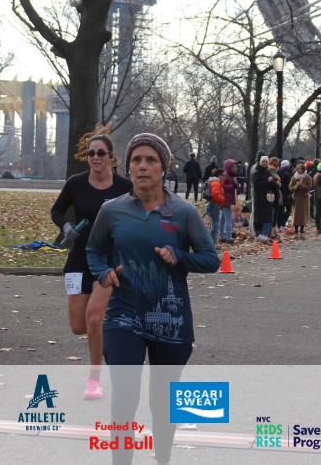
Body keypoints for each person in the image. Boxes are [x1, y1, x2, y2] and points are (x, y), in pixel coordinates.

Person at [86, 133, 220, 465]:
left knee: (163, 403)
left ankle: (162, 459)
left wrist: (180, 257)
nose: (143, 166)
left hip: (170, 320)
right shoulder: (111, 210)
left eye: (151, 160)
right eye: (136, 160)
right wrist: (104, 273)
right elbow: (94, 250)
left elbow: (211, 259)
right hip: (123, 316)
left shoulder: (183, 212)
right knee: (124, 399)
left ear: (164, 168)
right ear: (128, 167)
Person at [50, 131, 133, 400]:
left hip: (108, 259)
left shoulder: (124, 186)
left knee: (94, 318)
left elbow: (139, 214)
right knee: (79, 325)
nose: (95, 157)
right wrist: (66, 226)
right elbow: (56, 210)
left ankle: (94, 380)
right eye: (91, 153)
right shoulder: (76, 183)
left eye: (100, 153)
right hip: (78, 257)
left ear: (111, 157)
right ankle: (113, 327)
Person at [251, 156, 277, 241]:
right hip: (259, 198)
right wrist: (267, 181)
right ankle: (258, 233)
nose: (265, 163)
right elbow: (257, 184)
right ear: (260, 162)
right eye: (263, 161)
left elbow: (273, 184)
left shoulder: (267, 172)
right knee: (259, 216)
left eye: (266, 162)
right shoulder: (256, 172)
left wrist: (273, 182)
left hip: (267, 198)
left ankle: (264, 233)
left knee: (266, 216)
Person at [218, 159, 238, 243]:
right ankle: (228, 238)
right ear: (228, 167)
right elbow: (222, 186)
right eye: (233, 167)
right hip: (226, 201)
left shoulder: (231, 176)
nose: (235, 168)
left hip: (228, 200)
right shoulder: (226, 175)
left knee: (223, 219)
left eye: (236, 167)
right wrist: (232, 186)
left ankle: (222, 236)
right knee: (228, 219)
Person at [289, 162, 312, 237]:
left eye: (301, 169)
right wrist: (296, 187)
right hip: (296, 197)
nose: (299, 170)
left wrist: (301, 185)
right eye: (298, 169)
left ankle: (302, 231)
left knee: (303, 216)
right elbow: (290, 187)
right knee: (296, 216)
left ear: (303, 169)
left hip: (304, 197)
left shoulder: (308, 177)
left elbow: (309, 188)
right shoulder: (294, 177)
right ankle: (296, 232)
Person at [204, 168, 224, 243]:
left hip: (212, 204)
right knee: (215, 225)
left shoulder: (215, 182)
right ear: (219, 175)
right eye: (223, 175)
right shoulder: (216, 183)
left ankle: (210, 242)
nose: (225, 177)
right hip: (214, 205)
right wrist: (223, 200)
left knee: (213, 225)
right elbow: (215, 194)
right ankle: (212, 244)